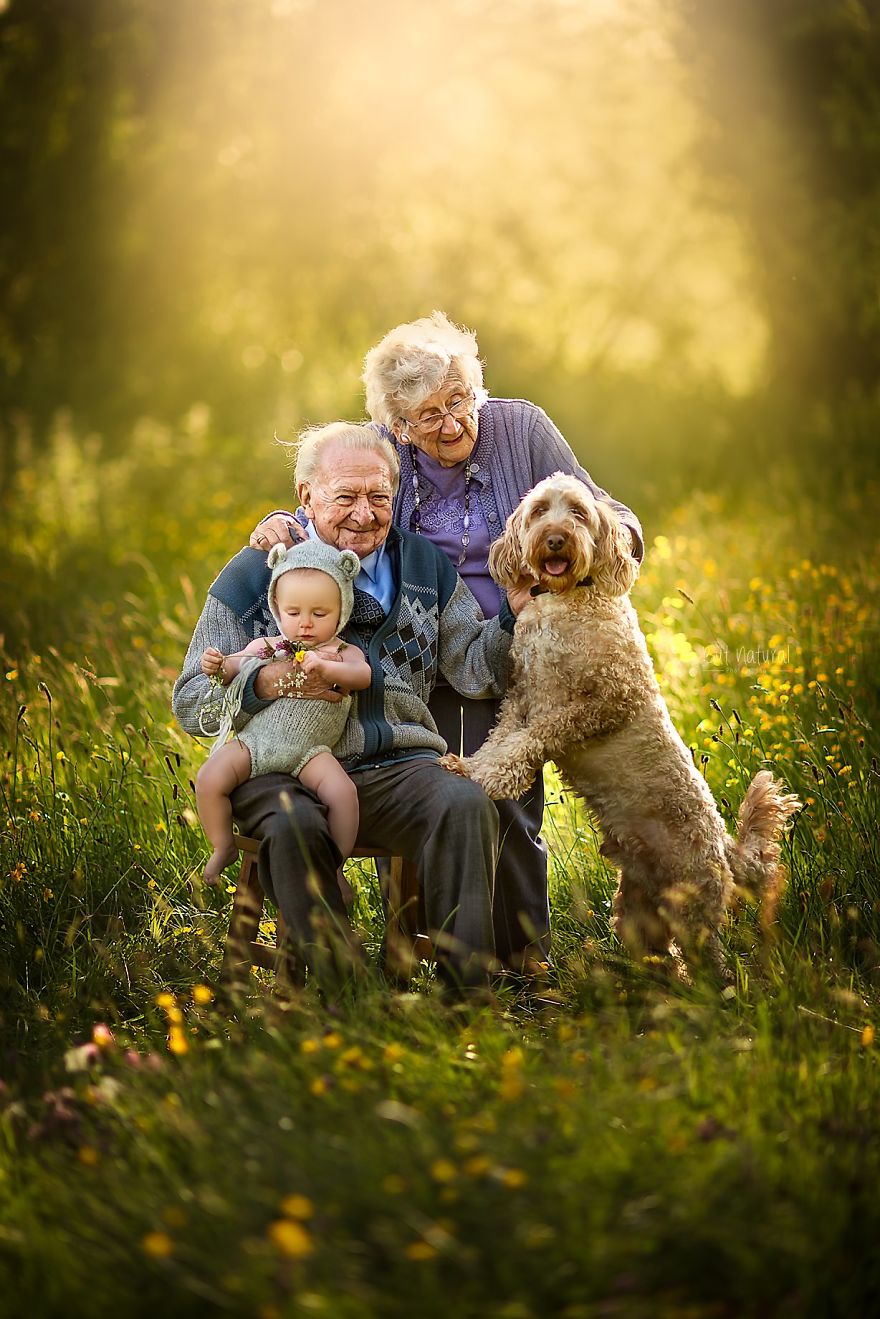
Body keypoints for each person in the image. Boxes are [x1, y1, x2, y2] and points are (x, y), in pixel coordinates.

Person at [251, 311, 643, 975]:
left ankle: (522, 958)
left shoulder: (522, 429)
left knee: (502, 781)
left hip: (508, 652)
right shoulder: (385, 448)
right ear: (398, 426)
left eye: (459, 400)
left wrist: (613, 548)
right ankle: (427, 944)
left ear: (477, 388)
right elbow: (337, 501)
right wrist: (281, 522)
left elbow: (607, 510)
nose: (451, 423)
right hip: (410, 653)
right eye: (426, 416)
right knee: (404, 758)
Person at [173, 422, 522, 992]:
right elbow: (191, 699)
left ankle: (467, 1002)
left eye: (380, 497)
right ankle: (346, 995)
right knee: (294, 825)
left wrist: (514, 614)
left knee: (465, 803)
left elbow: (476, 668)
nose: (365, 513)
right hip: (277, 765)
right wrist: (265, 684)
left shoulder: (426, 567)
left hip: (394, 764)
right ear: (306, 498)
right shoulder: (254, 572)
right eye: (346, 497)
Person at [195, 539, 371, 886]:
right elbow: (236, 668)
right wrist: (218, 665)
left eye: (320, 614)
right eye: (293, 613)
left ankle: (334, 867)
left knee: (343, 796)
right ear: (277, 608)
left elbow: (362, 677)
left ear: (342, 610)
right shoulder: (269, 646)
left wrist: (328, 668)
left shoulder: (343, 650)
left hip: (312, 751)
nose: (305, 624)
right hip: (257, 742)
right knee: (209, 778)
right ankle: (221, 845)